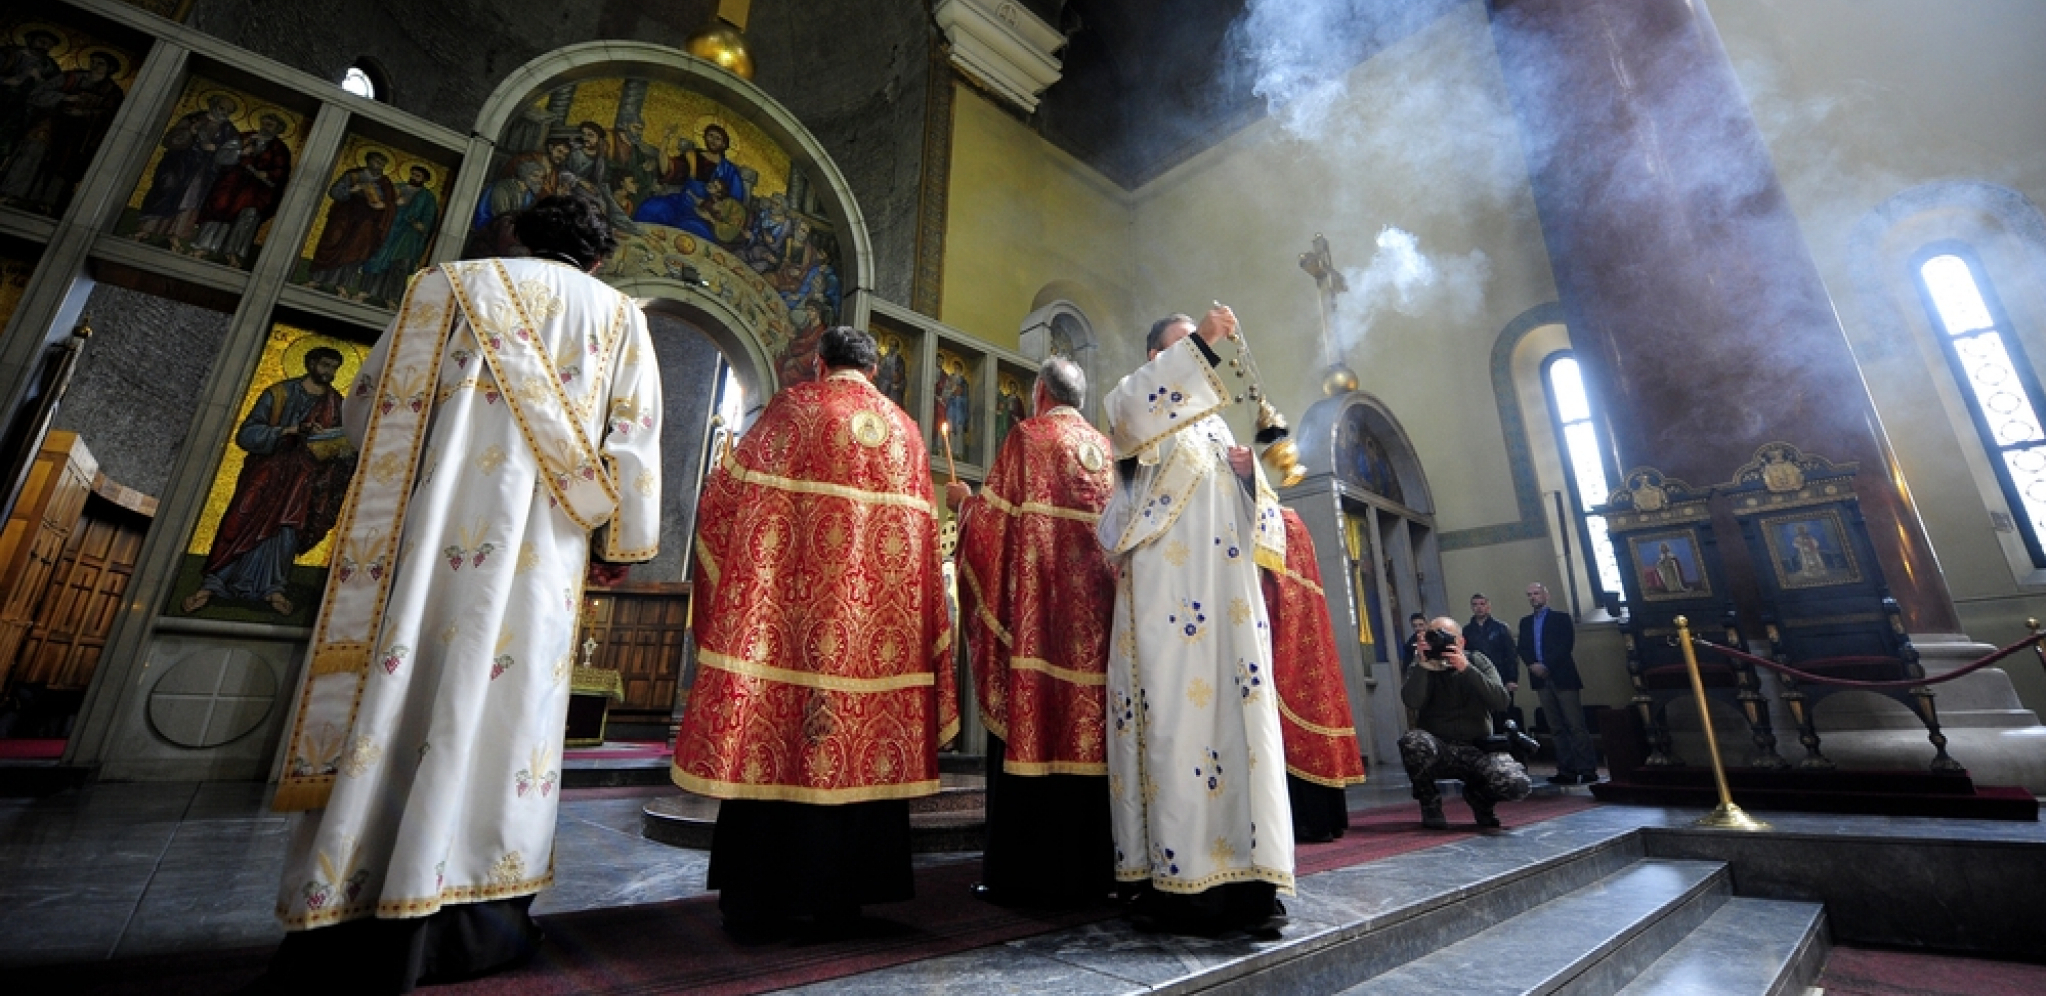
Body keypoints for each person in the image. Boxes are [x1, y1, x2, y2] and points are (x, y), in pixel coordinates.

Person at [254, 194, 662, 994]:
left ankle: (349, 895)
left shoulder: (441, 286)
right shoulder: (618, 315)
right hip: (541, 550)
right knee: (508, 714)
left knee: (399, 692)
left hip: (425, 537)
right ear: (597, 258)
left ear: (517, 235)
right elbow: (634, 445)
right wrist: (618, 543)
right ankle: (473, 914)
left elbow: (368, 406)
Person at [672, 324, 957, 943]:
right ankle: (843, 902)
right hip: (875, 647)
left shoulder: (793, 411)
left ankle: (759, 900)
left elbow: (723, 506)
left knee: (775, 747)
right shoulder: (906, 433)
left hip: (785, 634)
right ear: (874, 372)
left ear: (821, 366)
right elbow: (923, 547)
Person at [1097, 306, 1292, 936]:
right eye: (1184, 348)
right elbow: (1128, 414)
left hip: (1229, 608)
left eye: (1200, 349)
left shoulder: (1216, 427)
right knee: (1177, 728)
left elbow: (1263, 526)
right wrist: (1203, 340)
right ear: (1158, 358)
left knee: (1243, 730)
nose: (1202, 358)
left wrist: (1250, 480)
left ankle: (1253, 884)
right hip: (1169, 605)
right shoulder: (1143, 407)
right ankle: (1181, 888)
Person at [947, 355, 1117, 907]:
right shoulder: (1106, 451)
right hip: (1099, 641)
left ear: (1041, 392)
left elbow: (993, 532)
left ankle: (1022, 874)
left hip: (1039, 635)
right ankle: (1095, 870)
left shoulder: (1028, 437)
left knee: (1035, 731)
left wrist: (964, 508)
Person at [180, 347, 356, 617]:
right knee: (240, 520)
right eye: (325, 365)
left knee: (287, 529)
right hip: (266, 472)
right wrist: (290, 430)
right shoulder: (279, 394)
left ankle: (274, 588)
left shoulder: (336, 403)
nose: (329, 372)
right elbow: (247, 434)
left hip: (303, 479)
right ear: (310, 363)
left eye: (334, 368)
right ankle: (212, 584)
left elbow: (343, 441)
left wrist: (339, 448)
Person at [1262, 508, 1366, 843]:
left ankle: (1311, 821)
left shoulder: (1281, 522)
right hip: (1302, 638)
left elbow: (1271, 587)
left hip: (1286, 639)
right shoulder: (1292, 521)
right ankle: (1323, 820)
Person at [1398, 617, 1531, 829]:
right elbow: (1412, 701)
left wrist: (1466, 669)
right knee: (1412, 741)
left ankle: (1480, 798)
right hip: (1440, 750)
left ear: (1461, 642)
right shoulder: (1421, 665)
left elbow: (1501, 701)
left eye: (1445, 636)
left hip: (1478, 748)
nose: (1439, 642)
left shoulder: (1477, 661)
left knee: (1517, 784)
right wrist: (1423, 665)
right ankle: (1430, 802)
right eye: (1434, 636)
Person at [133, 94, 240, 248]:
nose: (224, 113)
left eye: (228, 111)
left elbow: (232, 154)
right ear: (213, 104)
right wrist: (190, 132)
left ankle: (175, 235)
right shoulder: (193, 119)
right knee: (166, 192)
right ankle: (147, 229)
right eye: (222, 108)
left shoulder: (228, 130)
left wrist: (216, 149)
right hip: (179, 165)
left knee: (190, 200)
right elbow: (169, 140)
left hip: (202, 172)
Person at [1518, 582, 1598, 785]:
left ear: (1546, 595)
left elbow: (1565, 645)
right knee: (1555, 727)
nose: (1533, 597)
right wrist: (1533, 665)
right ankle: (1566, 770)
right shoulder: (1525, 622)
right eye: (1529, 595)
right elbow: (1523, 647)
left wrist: (1547, 666)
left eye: (1536, 593)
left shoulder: (1561, 618)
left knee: (1575, 724)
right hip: (1540, 679)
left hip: (1562, 676)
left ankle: (1587, 768)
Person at [189, 112, 292, 268]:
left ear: (278, 129)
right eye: (264, 123)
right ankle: (204, 245)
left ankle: (232, 253)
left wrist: (267, 174)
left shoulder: (279, 148)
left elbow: (281, 170)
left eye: (270, 125)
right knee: (220, 206)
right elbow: (223, 155)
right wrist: (240, 152)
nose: (265, 127)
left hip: (255, 189)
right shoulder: (246, 137)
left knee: (248, 215)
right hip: (232, 181)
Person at [307, 152, 396, 297]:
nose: (378, 166)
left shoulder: (385, 183)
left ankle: (342, 285)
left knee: (355, 251)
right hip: (344, 216)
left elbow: (391, 205)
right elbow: (334, 192)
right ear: (368, 161)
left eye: (381, 164)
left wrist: (383, 205)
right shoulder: (353, 175)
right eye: (376, 162)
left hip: (367, 222)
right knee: (332, 242)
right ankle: (318, 279)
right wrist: (351, 190)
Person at [360, 165, 439, 307]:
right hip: (389, 229)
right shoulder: (397, 188)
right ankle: (366, 291)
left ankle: (392, 298)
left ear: (424, 180)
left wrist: (418, 224)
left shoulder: (428, 198)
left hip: (408, 236)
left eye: (418, 176)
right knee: (378, 258)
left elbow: (428, 221)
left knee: (401, 264)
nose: (414, 177)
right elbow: (381, 202)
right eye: (413, 174)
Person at [1464, 593, 1520, 731]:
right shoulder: (1467, 631)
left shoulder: (1501, 628)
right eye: (1475, 605)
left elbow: (1511, 654)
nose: (1479, 607)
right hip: (1478, 676)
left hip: (1501, 676)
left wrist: (1512, 679)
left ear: (1488, 606)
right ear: (1471, 608)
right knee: (1483, 714)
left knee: (1505, 714)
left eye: (1482, 604)